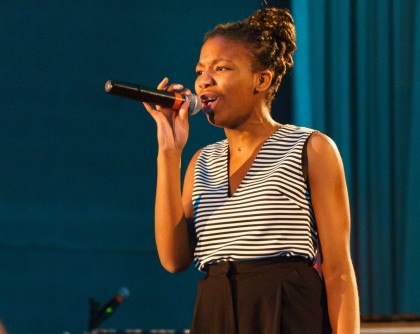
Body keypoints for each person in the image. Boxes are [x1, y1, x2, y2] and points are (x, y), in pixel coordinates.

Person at [143, 7, 360, 334]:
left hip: (285, 307)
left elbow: (339, 270)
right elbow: (174, 260)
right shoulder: (202, 161)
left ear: (261, 79)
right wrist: (169, 153)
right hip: (216, 309)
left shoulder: (309, 148)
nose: (204, 79)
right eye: (200, 70)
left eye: (221, 68)